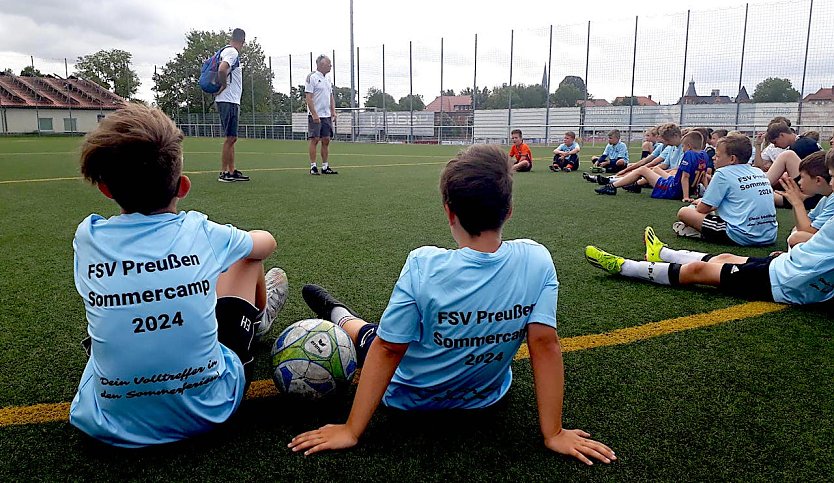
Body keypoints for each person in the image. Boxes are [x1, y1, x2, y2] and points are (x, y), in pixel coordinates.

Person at [288, 145, 615, 465]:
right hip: (485, 398)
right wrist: (553, 433)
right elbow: (544, 344)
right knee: (382, 335)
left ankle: (339, 314)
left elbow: (388, 349)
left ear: (449, 212)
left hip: (406, 400)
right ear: (509, 210)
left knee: (372, 337)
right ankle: (337, 312)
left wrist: (351, 430)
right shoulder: (536, 259)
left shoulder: (423, 264)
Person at [69, 103, 288, 448]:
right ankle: (256, 323)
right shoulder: (199, 231)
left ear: (106, 190)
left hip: (107, 424)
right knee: (247, 258)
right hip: (209, 410)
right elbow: (266, 243)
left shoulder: (88, 237)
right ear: (182, 186)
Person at [584, 224, 834, 306]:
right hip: (787, 265)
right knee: (724, 257)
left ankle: (624, 266)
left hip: (785, 282)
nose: (832, 182)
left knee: (698, 271)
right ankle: (662, 252)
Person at [674, 133, 777, 246]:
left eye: (717, 156)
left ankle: (698, 232)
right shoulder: (758, 172)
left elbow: (702, 209)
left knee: (684, 212)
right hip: (769, 236)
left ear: (732, 159)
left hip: (742, 235)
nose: (713, 158)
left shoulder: (723, 173)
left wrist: (700, 203)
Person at [595, 131, 706, 200]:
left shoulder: (689, 154)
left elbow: (685, 177)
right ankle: (635, 185)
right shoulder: (703, 155)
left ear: (689, 146)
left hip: (673, 189)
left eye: (684, 146)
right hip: (679, 186)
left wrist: (685, 197)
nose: (683, 149)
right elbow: (703, 176)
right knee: (656, 169)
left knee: (643, 169)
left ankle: (612, 187)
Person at [775, 150, 834, 247]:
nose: (799, 182)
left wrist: (797, 203)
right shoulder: (825, 198)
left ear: (818, 180)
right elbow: (804, 225)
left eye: (802, 177)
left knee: (797, 238)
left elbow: (807, 231)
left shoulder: (832, 199)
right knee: (796, 234)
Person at [216, 28, 250, 183]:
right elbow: (222, 69)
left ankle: (231, 170)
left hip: (229, 100)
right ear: (242, 41)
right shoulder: (232, 52)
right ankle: (224, 173)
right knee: (230, 138)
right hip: (229, 100)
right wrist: (223, 86)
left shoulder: (225, 51)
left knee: (232, 137)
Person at [306, 54, 338, 175]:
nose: (331, 66)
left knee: (326, 139)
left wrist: (333, 111)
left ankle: (325, 166)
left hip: (326, 115)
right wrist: (314, 114)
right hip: (316, 114)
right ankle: (313, 166)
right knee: (315, 139)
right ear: (321, 65)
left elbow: (330, 96)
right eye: (329, 64)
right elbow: (308, 97)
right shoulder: (312, 77)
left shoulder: (328, 79)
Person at [762, 122, 821, 188]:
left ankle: (762, 185)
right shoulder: (804, 141)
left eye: (775, 142)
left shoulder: (799, 146)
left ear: (782, 135)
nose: (775, 146)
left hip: (810, 184)